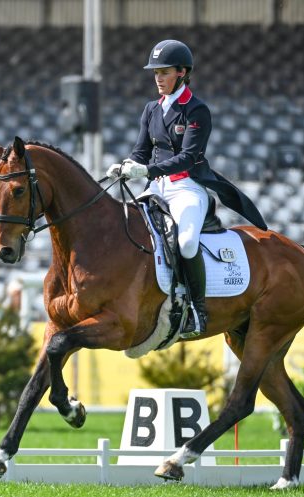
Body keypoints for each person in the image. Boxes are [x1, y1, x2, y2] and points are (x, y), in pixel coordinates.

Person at [106, 39, 267, 338]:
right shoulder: (151, 109)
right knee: (127, 230)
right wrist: (126, 164)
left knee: (188, 242)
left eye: (164, 72)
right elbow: (141, 151)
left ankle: (197, 309)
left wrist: (147, 170)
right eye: (155, 73)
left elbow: (187, 158)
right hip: (156, 188)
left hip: (187, 188)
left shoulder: (196, 110)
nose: (158, 78)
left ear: (182, 72)